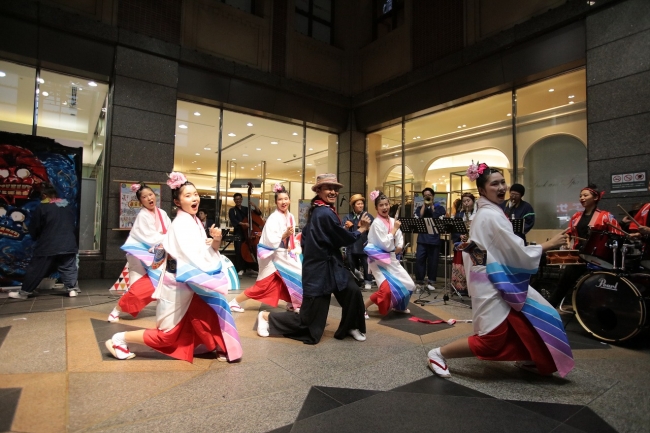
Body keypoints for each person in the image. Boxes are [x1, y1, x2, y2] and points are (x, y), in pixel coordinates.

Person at [426, 162, 573, 379]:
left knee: (531, 318)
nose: (502, 187)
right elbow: (514, 250)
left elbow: (503, 247)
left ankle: (531, 358)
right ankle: (437, 354)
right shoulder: (490, 215)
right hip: (492, 279)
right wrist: (547, 245)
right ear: (482, 190)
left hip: (496, 275)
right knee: (491, 338)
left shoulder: (491, 211)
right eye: (495, 184)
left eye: (503, 182)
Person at [105, 172, 242, 362]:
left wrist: (216, 239)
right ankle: (120, 339)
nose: (194, 198)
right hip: (175, 281)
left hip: (188, 280)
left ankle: (219, 345)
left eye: (195, 194)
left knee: (212, 308)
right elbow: (194, 255)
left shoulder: (191, 220)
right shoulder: (180, 223)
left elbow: (202, 251)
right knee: (167, 335)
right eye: (188, 195)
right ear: (178, 202)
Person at [256, 173, 371, 344]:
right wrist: (361, 230)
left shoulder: (322, 210)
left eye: (335, 189)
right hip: (319, 271)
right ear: (318, 190)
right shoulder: (323, 212)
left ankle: (351, 326)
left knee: (353, 292)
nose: (333, 192)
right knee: (309, 323)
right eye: (328, 188)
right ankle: (266, 317)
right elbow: (340, 237)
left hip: (332, 266)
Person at [228, 183, 303, 313]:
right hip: (272, 255)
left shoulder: (290, 216)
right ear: (275, 202)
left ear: (290, 200)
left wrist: (291, 245)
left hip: (284, 253)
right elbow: (270, 240)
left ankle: (292, 302)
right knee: (264, 285)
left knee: (288, 278)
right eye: (280, 199)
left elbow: (291, 236)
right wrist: (284, 235)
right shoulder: (273, 218)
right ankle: (234, 302)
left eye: (285, 199)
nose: (283, 202)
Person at [547, 184, 622, 308]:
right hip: (579, 255)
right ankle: (551, 306)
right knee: (565, 279)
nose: (582, 198)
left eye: (585, 195)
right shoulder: (576, 216)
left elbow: (617, 234)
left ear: (595, 197)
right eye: (580, 196)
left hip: (598, 257)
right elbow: (569, 233)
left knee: (597, 284)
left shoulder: (605, 216)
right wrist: (567, 242)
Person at [107, 182, 171, 322]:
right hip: (140, 255)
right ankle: (116, 310)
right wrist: (168, 239)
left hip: (157, 253)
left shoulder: (162, 213)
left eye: (150, 195)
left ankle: (166, 308)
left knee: (157, 283)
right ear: (140, 201)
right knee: (139, 288)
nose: (149, 198)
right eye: (144, 197)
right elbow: (150, 237)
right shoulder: (143, 215)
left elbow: (170, 231)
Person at [9, 184, 79, 299]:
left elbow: (35, 227)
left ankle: (24, 293)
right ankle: (72, 290)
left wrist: (33, 234)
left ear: (44, 195)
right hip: (68, 242)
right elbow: (72, 224)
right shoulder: (67, 206)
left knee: (37, 268)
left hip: (48, 244)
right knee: (68, 266)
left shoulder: (42, 207)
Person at [363, 191, 414, 319]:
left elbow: (399, 238)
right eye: (381, 205)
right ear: (376, 208)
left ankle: (399, 306)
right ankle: (362, 307)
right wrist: (394, 230)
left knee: (409, 285)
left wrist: (399, 246)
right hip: (378, 260)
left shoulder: (392, 220)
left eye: (386, 204)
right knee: (385, 290)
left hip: (391, 258)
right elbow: (385, 244)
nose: (385, 207)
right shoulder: (376, 224)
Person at [413, 187, 446, 291]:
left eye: (429, 196)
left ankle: (431, 281)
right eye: (425, 196)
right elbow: (419, 216)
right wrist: (424, 205)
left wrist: (431, 205)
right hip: (422, 239)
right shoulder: (419, 208)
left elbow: (436, 216)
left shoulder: (440, 208)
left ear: (433, 196)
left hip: (434, 240)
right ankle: (419, 280)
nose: (427, 197)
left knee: (433, 261)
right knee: (419, 260)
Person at [341, 194, 374, 290]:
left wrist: (366, 226)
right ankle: (356, 281)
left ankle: (368, 281)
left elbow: (374, 230)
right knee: (352, 264)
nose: (361, 205)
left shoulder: (368, 216)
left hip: (364, 244)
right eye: (358, 204)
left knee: (366, 263)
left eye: (362, 203)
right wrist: (346, 227)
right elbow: (342, 232)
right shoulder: (348, 217)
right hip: (351, 245)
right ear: (353, 206)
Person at [229, 192, 263, 276]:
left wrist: (254, 206)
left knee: (250, 250)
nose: (238, 201)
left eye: (239, 199)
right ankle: (240, 268)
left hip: (248, 233)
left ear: (241, 199)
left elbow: (258, 214)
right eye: (236, 199)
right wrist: (243, 224)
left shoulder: (246, 209)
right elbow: (234, 221)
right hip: (239, 233)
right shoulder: (232, 210)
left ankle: (251, 267)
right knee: (239, 251)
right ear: (234, 200)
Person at [451, 192, 476, 295]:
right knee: (459, 263)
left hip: (473, 243)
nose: (466, 203)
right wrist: (460, 235)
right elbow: (454, 229)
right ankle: (459, 287)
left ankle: (471, 288)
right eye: (464, 201)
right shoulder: (459, 214)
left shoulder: (477, 214)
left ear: (473, 202)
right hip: (461, 243)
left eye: (468, 201)